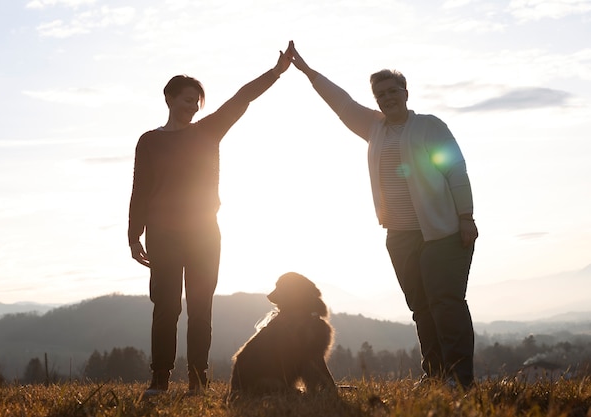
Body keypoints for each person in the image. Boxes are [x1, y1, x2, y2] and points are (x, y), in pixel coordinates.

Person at [287, 41, 478, 389]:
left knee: (446, 305)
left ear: (405, 92)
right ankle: (434, 374)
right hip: (400, 236)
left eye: (393, 91)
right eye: (380, 94)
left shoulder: (429, 126)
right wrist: (307, 71)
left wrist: (466, 217)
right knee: (421, 308)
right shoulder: (373, 128)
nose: (387, 97)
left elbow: (456, 171)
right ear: (376, 99)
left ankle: (460, 378)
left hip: (443, 234)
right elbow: (341, 103)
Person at [128, 46, 291, 397]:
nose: (192, 107)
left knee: (201, 308)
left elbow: (242, 98)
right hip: (162, 234)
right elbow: (140, 188)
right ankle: (159, 379)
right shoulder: (150, 141)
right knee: (166, 306)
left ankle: (197, 381)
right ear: (169, 98)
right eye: (187, 100)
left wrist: (276, 72)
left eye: (196, 102)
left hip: (204, 234)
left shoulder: (208, 131)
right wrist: (133, 235)